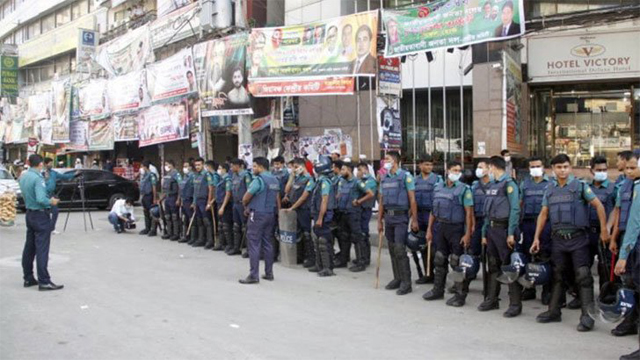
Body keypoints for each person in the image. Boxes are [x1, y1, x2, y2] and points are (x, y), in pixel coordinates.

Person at [531, 154, 609, 332]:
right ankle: (554, 311)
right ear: (553, 169)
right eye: (559, 167)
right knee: (557, 275)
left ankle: (587, 317)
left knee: (583, 276)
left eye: (565, 166)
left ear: (570, 167)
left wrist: (604, 229)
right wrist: (536, 237)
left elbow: (599, 206)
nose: (563, 170)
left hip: (578, 239)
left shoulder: (580, 186)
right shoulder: (549, 190)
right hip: (558, 239)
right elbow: (543, 215)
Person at [422, 161, 474, 307]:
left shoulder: (465, 189)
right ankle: (438, 290)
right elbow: (433, 210)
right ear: (447, 171)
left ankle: (459, 295)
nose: (457, 173)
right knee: (439, 259)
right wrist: (429, 230)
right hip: (440, 226)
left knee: (456, 262)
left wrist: (467, 234)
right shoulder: (438, 188)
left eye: (459, 171)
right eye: (454, 170)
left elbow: (469, 214)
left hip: (456, 229)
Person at [476, 156, 521, 316]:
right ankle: (492, 299)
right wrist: (483, 233)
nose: (487, 171)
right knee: (493, 265)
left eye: (488, 168)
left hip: (504, 230)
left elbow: (515, 209)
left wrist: (510, 233)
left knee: (509, 266)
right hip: (492, 230)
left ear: (493, 167)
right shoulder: (492, 186)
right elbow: (487, 212)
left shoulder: (509, 184)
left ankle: (515, 304)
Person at [19, 154, 63, 291]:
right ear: (40, 164)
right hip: (40, 215)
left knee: (29, 247)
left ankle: (28, 277)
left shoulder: (24, 176)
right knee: (42, 249)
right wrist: (51, 201)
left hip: (29, 214)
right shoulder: (38, 178)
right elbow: (40, 198)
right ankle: (44, 281)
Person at [378, 151, 419, 296]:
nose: (385, 161)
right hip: (388, 218)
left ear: (395, 161)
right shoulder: (384, 178)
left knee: (400, 249)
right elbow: (381, 200)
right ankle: (397, 278)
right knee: (392, 249)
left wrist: (414, 219)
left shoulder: (406, 177)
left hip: (401, 218)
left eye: (387, 159)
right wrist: (379, 221)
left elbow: (412, 199)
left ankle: (406, 282)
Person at [610, 152, 640, 338]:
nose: (629, 171)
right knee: (630, 284)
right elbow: (620, 213)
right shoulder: (627, 185)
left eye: (633, 167)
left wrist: (623, 256)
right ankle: (630, 321)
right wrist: (614, 238)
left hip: (635, 243)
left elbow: (635, 222)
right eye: (627, 167)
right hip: (628, 241)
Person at [239, 157, 280, 284]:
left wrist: (246, 205)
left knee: (254, 243)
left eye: (255, 166)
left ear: (261, 167)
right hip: (270, 213)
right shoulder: (274, 179)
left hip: (257, 214)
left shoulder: (259, 180)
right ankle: (269, 273)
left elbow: (246, 196)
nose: (253, 169)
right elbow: (277, 197)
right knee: (268, 242)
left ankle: (253, 275)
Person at [519, 156, 552, 302]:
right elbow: (520, 204)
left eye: (537, 166)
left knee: (545, 256)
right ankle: (529, 288)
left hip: (546, 224)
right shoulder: (525, 184)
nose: (535, 169)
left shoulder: (551, 183)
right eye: (532, 167)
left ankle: (547, 289)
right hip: (527, 223)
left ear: (544, 167)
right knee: (527, 256)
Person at [587, 156, 616, 290]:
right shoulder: (585, 187)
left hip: (605, 233)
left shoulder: (613, 188)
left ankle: (605, 295)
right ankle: (583, 296)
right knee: (583, 266)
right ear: (591, 171)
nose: (602, 172)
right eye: (598, 170)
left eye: (604, 169)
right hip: (587, 232)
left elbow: (617, 211)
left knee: (605, 266)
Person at [413, 156, 442, 284]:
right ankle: (427, 273)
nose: (429, 167)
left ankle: (438, 275)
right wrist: (413, 219)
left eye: (431, 165)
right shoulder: (415, 180)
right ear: (420, 165)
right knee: (422, 246)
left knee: (435, 246)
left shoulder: (437, 179)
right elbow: (412, 200)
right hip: (419, 215)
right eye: (426, 164)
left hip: (433, 215)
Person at [283, 158, 316, 268]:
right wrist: (291, 177)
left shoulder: (309, 179)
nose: (294, 169)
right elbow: (287, 190)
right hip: (296, 209)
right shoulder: (297, 178)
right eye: (293, 167)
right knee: (298, 233)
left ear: (303, 166)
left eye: (296, 167)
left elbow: (304, 197)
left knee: (306, 234)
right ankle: (300, 255)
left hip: (304, 210)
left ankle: (311, 257)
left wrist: (292, 207)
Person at [336, 162, 368, 272]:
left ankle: (361, 262)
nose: (341, 172)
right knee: (344, 237)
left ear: (349, 170)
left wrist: (359, 201)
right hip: (343, 213)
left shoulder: (357, 182)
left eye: (343, 169)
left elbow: (370, 193)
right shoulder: (343, 182)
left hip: (353, 213)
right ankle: (343, 260)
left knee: (357, 237)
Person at [310, 155, 337, 277]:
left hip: (324, 215)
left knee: (323, 241)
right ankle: (319, 265)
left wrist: (320, 218)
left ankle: (328, 267)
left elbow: (324, 201)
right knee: (317, 239)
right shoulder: (319, 181)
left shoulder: (325, 182)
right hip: (318, 214)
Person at [42, 157, 75, 235]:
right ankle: (46, 228)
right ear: (45, 164)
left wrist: (74, 175)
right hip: (44, 194)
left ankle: (52, 228)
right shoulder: (41, 173)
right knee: (45, 213)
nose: (51, 165)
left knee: (55, 211)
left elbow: (64, 177)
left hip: (51, 195)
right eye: (49, 163)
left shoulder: (53, 172)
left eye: (51, 163)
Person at [229, 159, 252, 256]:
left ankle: (248, 248)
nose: (231, 168)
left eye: (232, 166)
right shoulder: (234, 176)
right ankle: (236, 247)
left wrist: (247, 206)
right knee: (236, 226)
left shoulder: (246, 176)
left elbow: (249, 190)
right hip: (235, 203)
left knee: (245, 227)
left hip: (243, 204)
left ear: (239, 166)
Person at [190, 158, 215, 248]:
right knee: (199, 220)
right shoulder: (195, 175)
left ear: (203, 165)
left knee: (206, 221)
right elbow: (195, 190)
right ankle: (201, 239)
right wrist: (193, 202)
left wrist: (209, 202)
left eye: (199, 165)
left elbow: (211, 188)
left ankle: (210, 240)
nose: (197, 167)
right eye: (196, 165)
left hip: (204, 200)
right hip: (197, 201)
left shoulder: (207, 174)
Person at [356, 161, 377, 267]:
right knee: (359, 233)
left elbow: (367, 192)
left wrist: (358, 181)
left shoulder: (370, 181)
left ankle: (365, 258)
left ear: (365, 169)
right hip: (359, 210)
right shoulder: (361, 181)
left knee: (364, 233)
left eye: (360, 169)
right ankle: (360, 256)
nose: (358, 172)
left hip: (366, 209)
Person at [471, 159, 491, 258]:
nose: (478, 170)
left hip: (492, 222)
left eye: (481, 167)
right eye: (477, 167)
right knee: (475, 249)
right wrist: (472, 224)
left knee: (491, 251)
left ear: (488, 169)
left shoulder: (496, 185)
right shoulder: (474, 186)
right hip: (478, 221)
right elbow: (471, 207)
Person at [160, 160, 182, 241]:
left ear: (171, 165)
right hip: (167, 198)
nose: (165, 166)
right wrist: (162, 198)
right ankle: (169, 233)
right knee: (167, 216)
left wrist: (178, 199)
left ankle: (176, 234)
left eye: (167, 164)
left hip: (174, 197)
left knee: (174, 216)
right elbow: (165, 189)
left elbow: (180, 187)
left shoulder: (176, 174)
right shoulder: (167, 175)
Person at [217, 163, 234, 252]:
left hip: (226, 204)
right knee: (221, 225)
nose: (219, 170)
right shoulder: (221, 179)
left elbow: (228, 193)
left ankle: (230, 244)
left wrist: (223, 207)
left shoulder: (227, 179)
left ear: (225, 169)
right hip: (219, 203)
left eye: (220, 168)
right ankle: (222, 243)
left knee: (226, 225)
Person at [139, 161, 158, 237]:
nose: (141, 168)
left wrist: (154, 197)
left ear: (145, 167)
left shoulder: (152, 175)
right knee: (146, 212)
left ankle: (153, 230)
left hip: (150, 195)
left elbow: (154, 187)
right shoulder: (144, 176)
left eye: (142, 167)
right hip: (144, 196)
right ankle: (147, 228)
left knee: (152, 213)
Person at [178, 161, 195, 243]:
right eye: (184, 166)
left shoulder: (192, 176)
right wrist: (180, 199)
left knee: (191, 218)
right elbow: (181, 189)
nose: (184, 168)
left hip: (189, 199)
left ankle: (192, 237)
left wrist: (193, 202)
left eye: (186, 166)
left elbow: (194, 190)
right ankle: (185, 235)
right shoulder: (185, 176)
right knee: (185, 219)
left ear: (190, 167)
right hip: (184, 200)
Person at [205, 160, 221, 249]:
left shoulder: (214, 176)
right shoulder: (210, 175)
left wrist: (210, 201)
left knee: (215, 222)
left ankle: (216, 242)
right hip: (213, 200)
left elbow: (213, 189)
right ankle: (211, 240)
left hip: (214, 201)